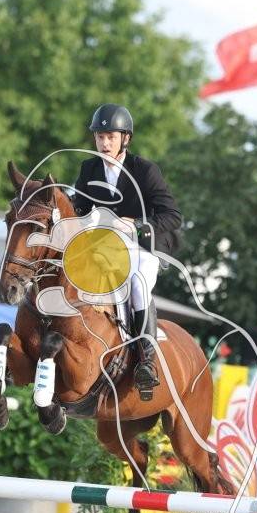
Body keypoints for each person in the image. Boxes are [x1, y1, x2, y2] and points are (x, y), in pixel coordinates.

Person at [72, 103, 182, 399]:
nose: (105, 143)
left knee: (138, 284)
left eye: (111, 137)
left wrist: (136, 225)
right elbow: (78, 208)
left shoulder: (145, 170)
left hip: (143, 245)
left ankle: (146, 361)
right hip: (106, 248)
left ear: (125, 139)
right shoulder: (88, 169)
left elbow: (173, 216)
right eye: (100, 137)